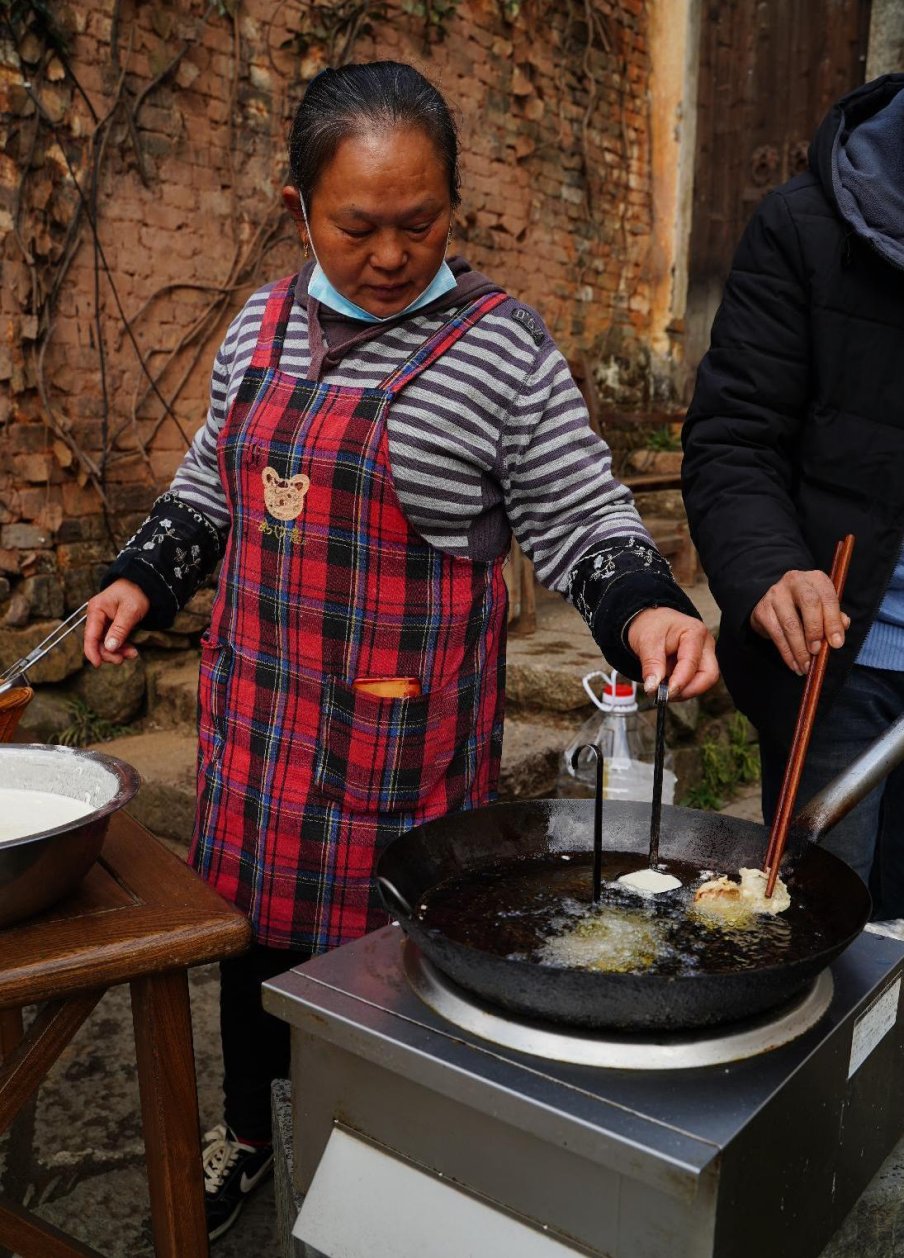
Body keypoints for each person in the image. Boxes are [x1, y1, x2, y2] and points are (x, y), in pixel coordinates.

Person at [84, 62, 717, 1241]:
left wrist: (648, 608)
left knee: (394, 976)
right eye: (357, 226)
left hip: (398, 747)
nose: (389, 254)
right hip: (259, 725)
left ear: (454, 207)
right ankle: (255, 1141)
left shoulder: (500, 352)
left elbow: (584, 515)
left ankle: (381, 1169)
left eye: (418, 224)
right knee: (250, 948)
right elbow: (206, 489)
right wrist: (140, 573)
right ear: (297, 211)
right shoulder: (256, 328)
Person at [682, 73, 904, 919]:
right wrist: (772, 569)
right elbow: (733, 438)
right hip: (840, 666)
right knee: (816, 936)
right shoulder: (804, 226)